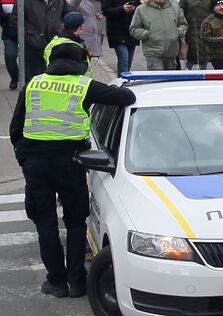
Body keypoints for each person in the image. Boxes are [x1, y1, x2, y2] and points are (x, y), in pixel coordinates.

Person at [10, 40, 135, 297]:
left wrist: (23, 158)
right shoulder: (83, 85)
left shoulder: (34, 83)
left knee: (45, 223)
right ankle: (77, 281)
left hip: (35, 163)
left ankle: (56, 282)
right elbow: (126, 97)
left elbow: (15, 128)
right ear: (81, 63)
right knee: (76, 221)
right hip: (69, 161)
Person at [130, 0, 187, 71]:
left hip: (171, 52)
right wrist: (147, 34)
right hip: (153, 52)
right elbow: (134, 29)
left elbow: (183, 24)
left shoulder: (174, 7)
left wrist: (178, 32)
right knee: (158, 80)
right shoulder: (141, 9)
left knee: (170, 81)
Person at [23, 0, 66, 82]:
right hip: (33, 43)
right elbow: (16, 20)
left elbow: (66, 14)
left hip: (54, 42)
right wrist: (29, 36)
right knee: (35, 76)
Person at [100, 0, 141, 76]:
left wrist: (134, 7)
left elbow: (139, 6)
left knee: (129, 60)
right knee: (124, 58)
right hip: (117, 30)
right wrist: (122, 9)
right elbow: (106, 10)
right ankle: (122, 83)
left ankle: (126, 79)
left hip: (131, 30)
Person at [179, 0, 217, 69]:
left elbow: (214, 10)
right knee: (192, 54)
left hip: (206, 28)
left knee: (204, 54)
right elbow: (181, 12)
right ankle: (189, 72)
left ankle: (203, 73)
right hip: (191, 29)